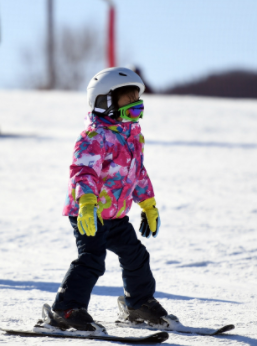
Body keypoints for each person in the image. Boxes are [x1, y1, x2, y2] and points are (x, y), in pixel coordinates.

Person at [47, 67, 167, 331]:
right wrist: (87, 205)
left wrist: (148, 205)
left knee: (136, 256)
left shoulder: (133, 135)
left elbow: (137, 173)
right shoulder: (93, 137)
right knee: (92, 258)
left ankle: (138, 304)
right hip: (88, 212)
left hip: (115, 215)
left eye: (138, 105)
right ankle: (65, 310)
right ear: (105, 102)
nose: (135, 111)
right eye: (129, 104)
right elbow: (83, 172)